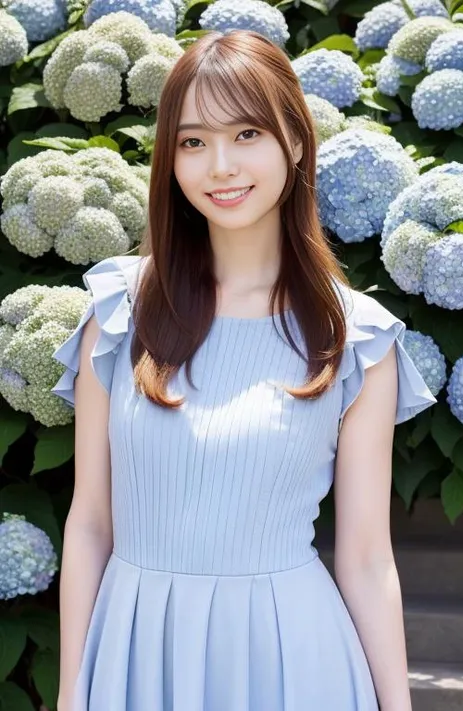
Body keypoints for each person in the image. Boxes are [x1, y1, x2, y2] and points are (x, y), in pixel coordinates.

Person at [51, 29, 436, 711]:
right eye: (193, 142)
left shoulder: (357, 338)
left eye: (247, 133)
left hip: (292, 662)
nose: (220, 165)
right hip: (137, 653)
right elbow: (89, 524)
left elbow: (368, 558)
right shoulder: (118, 311)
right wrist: (74, 688)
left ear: (294, 139)